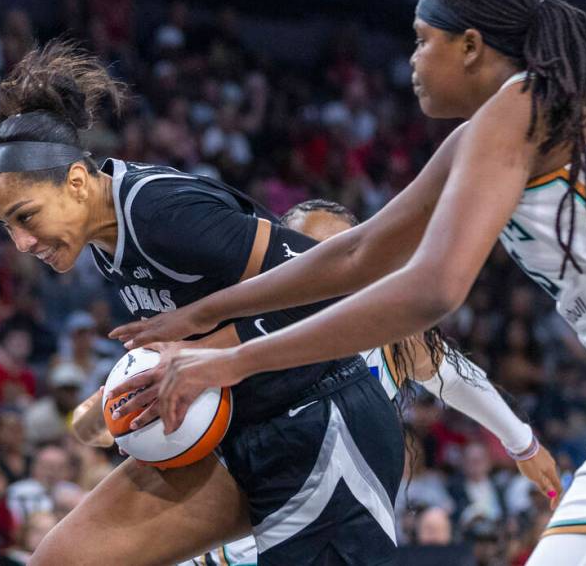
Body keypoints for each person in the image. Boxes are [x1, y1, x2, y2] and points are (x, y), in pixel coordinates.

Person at [110, 0, 586, 565]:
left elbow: (430, 290)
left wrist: (233, 361)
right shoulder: (493, 130)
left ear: (471, 45)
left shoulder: (522, 104)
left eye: (422, 39)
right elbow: (358, 253)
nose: (412, 60)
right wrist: (205, 314)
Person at [0, 41, 404, 565]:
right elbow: (195, 336)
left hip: (319, 415)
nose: (21, 243)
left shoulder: (163, 213)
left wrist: (207, 360)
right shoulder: (101, 234)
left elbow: (333, 287)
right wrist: (117, 397)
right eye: (7, 227)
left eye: (26, 217)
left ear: (75, 182)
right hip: (241, 427)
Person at [72, 198, 558, 566]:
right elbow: (93, 422)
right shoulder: (225, 335)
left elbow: (456, 376)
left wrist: (523, 444)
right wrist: (124, 422)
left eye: (333, 255)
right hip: (231, 531)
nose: (321, 271)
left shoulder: (385, 329)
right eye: (305, 256)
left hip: (330, 510)